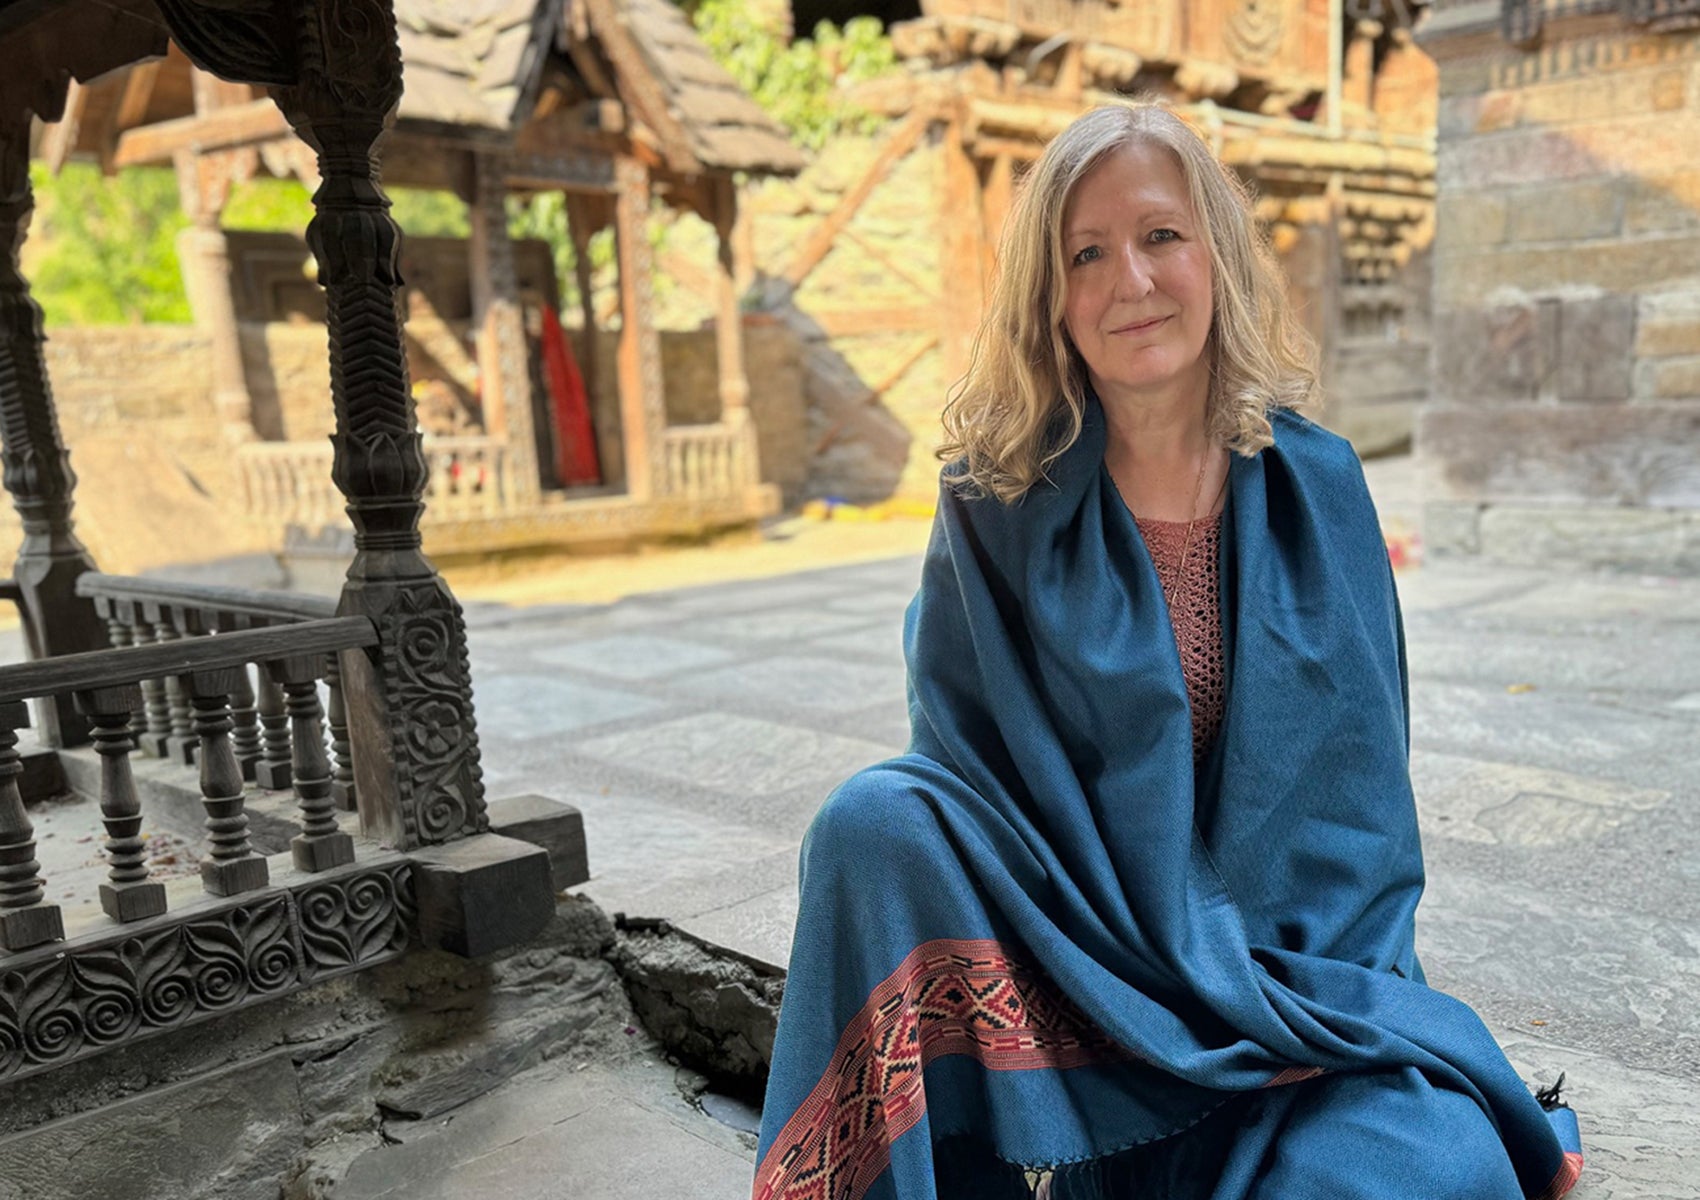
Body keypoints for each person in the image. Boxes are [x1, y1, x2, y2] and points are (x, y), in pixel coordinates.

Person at [751, 102, 1585, 1200]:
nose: (1128, 283)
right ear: (1049, 299)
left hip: (1293, 987)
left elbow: (1362, 816)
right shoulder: (989, 500)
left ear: (1216, 257)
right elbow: (969, 784)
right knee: (874, 819)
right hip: (1087, 977)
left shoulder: (1318, 485)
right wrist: (1120, 962)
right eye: (1084, 254)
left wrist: (1253, 989)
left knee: (1431, 1175)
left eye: (1159, 237)